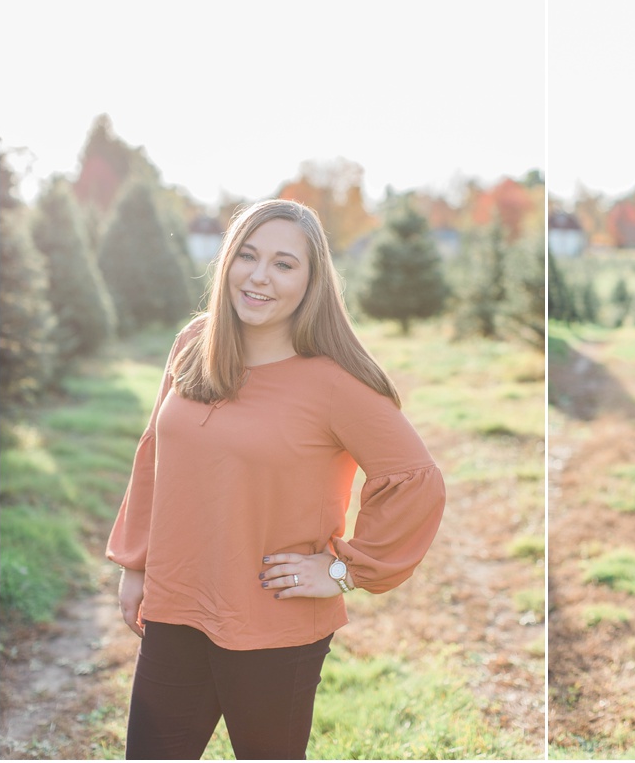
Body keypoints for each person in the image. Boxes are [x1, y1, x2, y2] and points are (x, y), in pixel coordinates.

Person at [106, 199, 446, 759]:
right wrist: (137, 563)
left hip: (273, 621)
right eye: (247, 255)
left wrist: (343, 569)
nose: (260, 276)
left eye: (285, 264)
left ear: (312, 282)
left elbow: (415, 479)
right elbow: (154, 456)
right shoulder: (195, 343)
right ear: (227, 264)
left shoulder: (334, 383)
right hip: (177, 603)